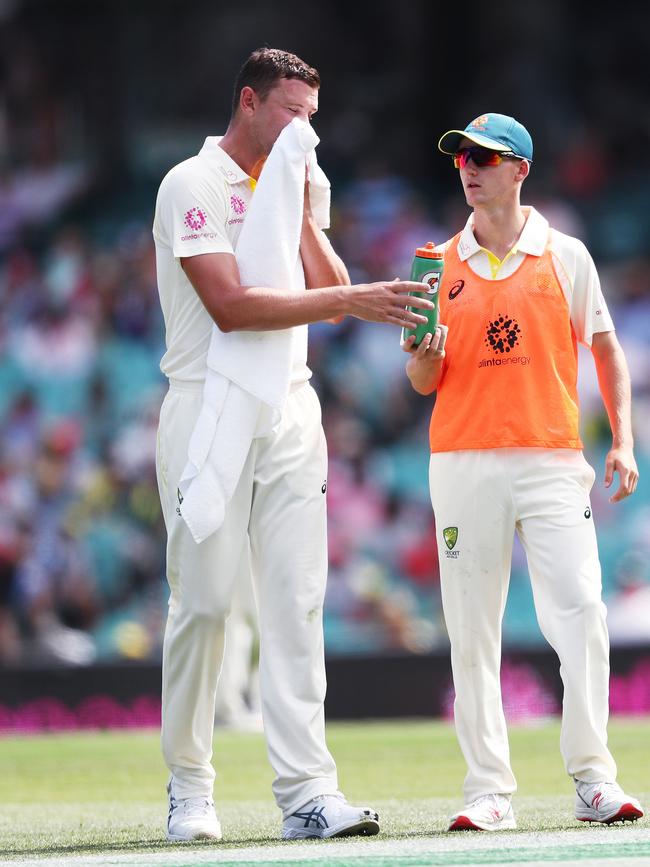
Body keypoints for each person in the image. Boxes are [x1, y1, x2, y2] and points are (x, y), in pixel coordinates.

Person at [152, 47, 433, 843]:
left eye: (314, 116)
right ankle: (189, 788)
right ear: (248, 101)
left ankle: (307, 793)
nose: (307, 130)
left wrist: (301, 204)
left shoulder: (294, 182)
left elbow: (329, 281)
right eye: (292, 113)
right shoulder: (192, 182)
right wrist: (349, 294)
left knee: (296, 601)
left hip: (288, 406)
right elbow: (232, 307)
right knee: (205, 603)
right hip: (208, 403)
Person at [403, 113, 644, 832]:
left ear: (520, 170)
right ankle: (488, 789)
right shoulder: (433, 262)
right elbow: (420, 378)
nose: (469, 168)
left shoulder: (566, 256)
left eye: (485, 157)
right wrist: (427, 353)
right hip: (463, 459)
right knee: (471, 630)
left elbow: (608, 352)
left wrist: (623, 441)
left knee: (582, 615)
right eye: (462, 159)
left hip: (549, 458)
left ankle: (595, 779)